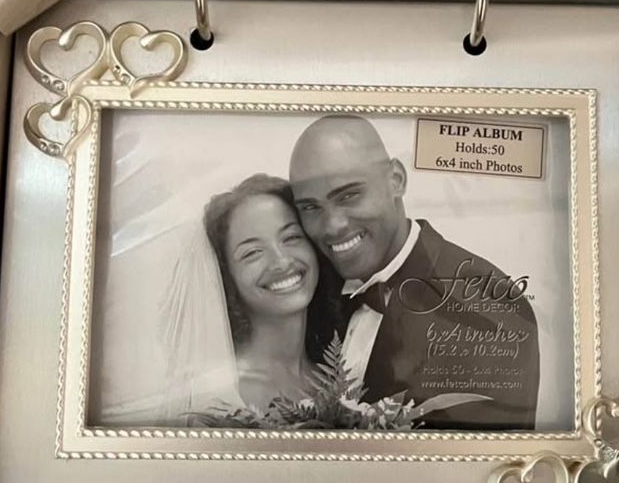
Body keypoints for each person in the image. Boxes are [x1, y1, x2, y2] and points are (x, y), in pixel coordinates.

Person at [288, 116, 540, 428]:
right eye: (310, 207)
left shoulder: (490, 311)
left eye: (349, 195)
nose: (332, 226)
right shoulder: (305, 289)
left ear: (396, 180)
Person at [159, 175, 338, 418]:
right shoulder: (219, 399)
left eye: (291, 237)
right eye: (252, 252)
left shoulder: (340, 372)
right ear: (225, 276)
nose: (281, 261)